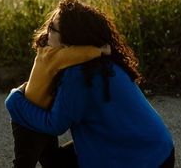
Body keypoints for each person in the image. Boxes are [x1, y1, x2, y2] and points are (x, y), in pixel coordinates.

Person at [6, 0, 175, 168]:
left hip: (140, 160)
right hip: (159, 149)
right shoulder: (103, 60)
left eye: (51, 28)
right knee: (58, 158)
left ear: (69, 42)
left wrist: (15, 100)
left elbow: (54, 124)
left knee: (55, 162)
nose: (46, 32)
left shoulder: (77, 75)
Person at [10, 9, 112, 168]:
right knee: (24, 162)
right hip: (26, 120)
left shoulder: (55, 52)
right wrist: (99, 50)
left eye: (53, 29)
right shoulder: (50, 54)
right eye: (49, 26)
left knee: (51, 159)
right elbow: (72, 55)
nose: (48, 31)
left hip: (42, 116)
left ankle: (86, 148)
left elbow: (71, 53)